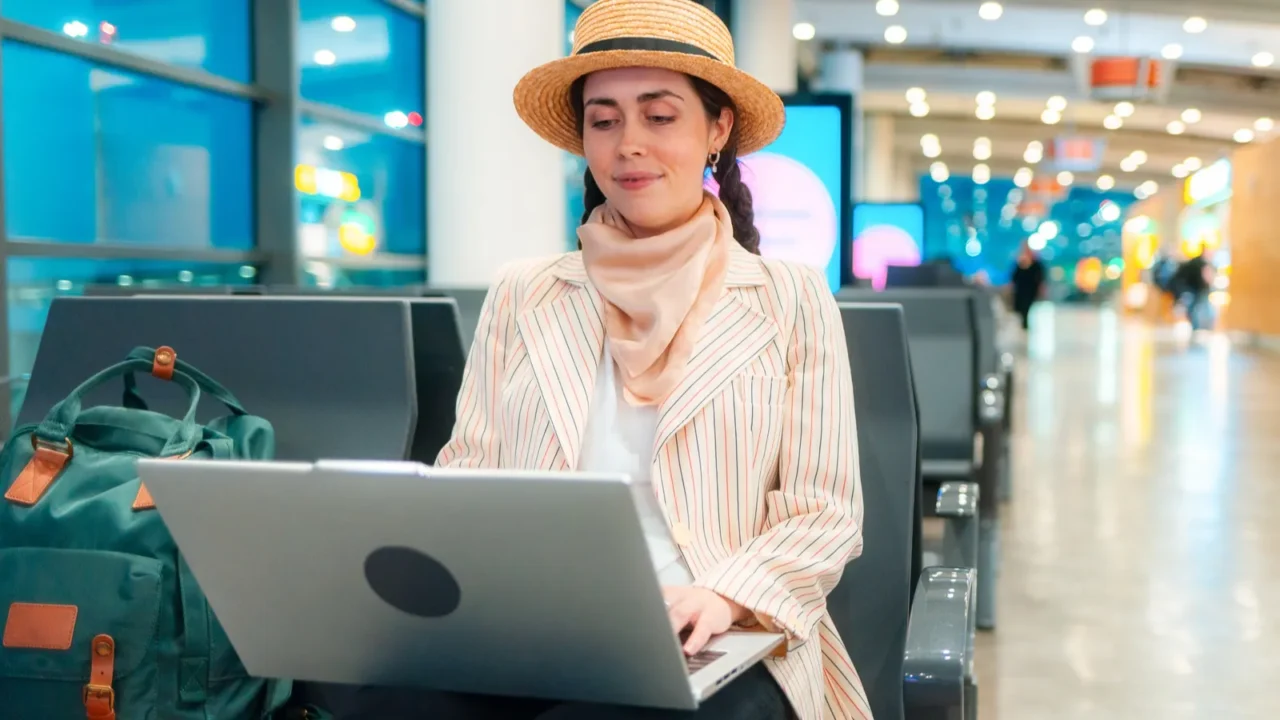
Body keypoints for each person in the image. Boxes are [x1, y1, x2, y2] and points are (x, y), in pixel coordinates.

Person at [285, 1, 867, 718]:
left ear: (717, 130)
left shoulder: (789, 298)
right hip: (536, 625)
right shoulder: (526, 293)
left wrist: (724, 595)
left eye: (660, 116)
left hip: (724, 633)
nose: (629, 144)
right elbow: (467, 477)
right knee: (387, 706)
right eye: (604, 120)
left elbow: (824, 513)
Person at [1009, 241, 1046, 330]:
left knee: (1027, 307)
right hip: (1021, 289)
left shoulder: (1035, 263)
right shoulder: (1019, 263)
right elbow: (1014, 276)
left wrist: (1040, 287)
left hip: (1030, 289)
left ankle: (1025, 325)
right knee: (1021, 308)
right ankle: (1024, 324)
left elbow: (1040, 276)